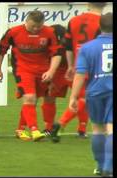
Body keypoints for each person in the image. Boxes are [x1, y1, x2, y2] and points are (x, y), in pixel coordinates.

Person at [0, 10, 61, 141]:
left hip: (44, 71)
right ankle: (34, 130)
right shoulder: (13, 32)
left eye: (39, 26)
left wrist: (51, 71)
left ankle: (21, 129)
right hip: (22, 70)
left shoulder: (50, 32)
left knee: (43, 99)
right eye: (32, 26)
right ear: (26, 21)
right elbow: (0, 50)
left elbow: (57, 53)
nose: (36, 29)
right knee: (30, 97)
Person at [53, 3, 107, 138]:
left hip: (80, 63)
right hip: (100, 64)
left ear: (88, 3)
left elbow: (69, 46)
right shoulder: (105, 22)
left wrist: (71, 66)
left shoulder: (73, 21)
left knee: (84, 96)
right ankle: (62, 122)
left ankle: (74, 126)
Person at [68, 13, 112, 177]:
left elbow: (80, 74)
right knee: (112, 128)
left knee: (98, 129)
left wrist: (73, 96)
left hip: (95, 92)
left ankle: (100, 166)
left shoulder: (87, 47)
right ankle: (109, 166)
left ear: (100, 27)